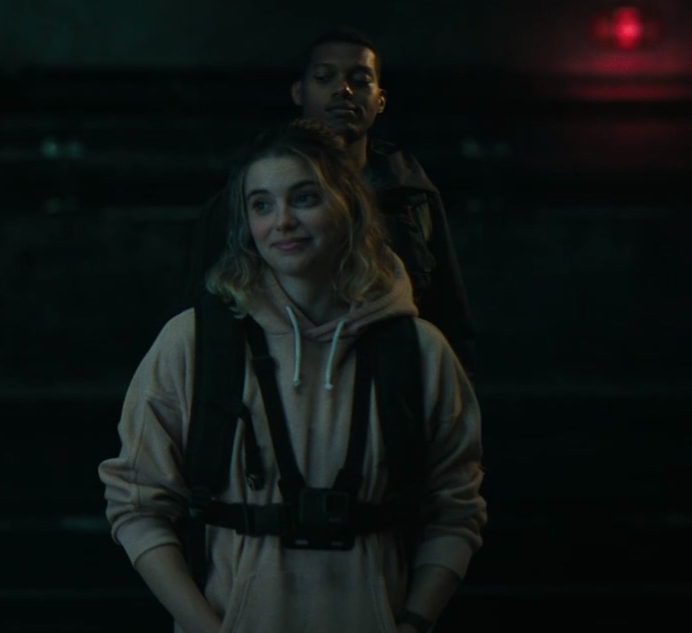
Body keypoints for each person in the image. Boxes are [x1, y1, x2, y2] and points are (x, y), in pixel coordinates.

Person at [103, 119, 486, 633]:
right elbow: (135, 503)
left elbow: (456, 509)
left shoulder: (418, 351)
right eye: (262, 204)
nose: (281, 221)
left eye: (304, 198)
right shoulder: (193, 344)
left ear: (348, 208)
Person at [181, 28, 479, 375]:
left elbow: (449, 318)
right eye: (325, 77)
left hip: (390, 387)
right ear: (299, 91)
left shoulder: (411, 197)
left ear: (381, 99)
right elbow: (203, 317)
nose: (344, 90)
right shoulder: (239, 203)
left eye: (360, 80)